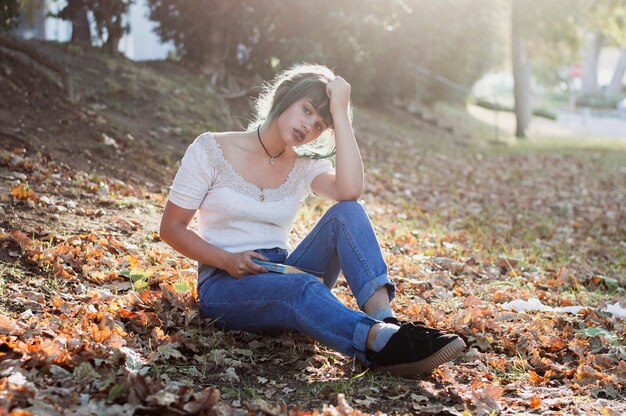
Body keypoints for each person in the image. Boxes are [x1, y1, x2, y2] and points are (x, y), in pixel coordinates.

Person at [159, 63, 465, 376]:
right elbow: (171, 228)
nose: (309, 127)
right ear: (283, 97)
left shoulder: (304, 165)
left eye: (320, 125)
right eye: (306, 110)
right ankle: (378, 343)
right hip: (224, 284)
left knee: (348, 211)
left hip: (283, 268)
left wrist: (341, 113)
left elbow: (350, 190)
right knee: (299, 286)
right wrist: (226, 259)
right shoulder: (212, 148)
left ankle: (388, 326)